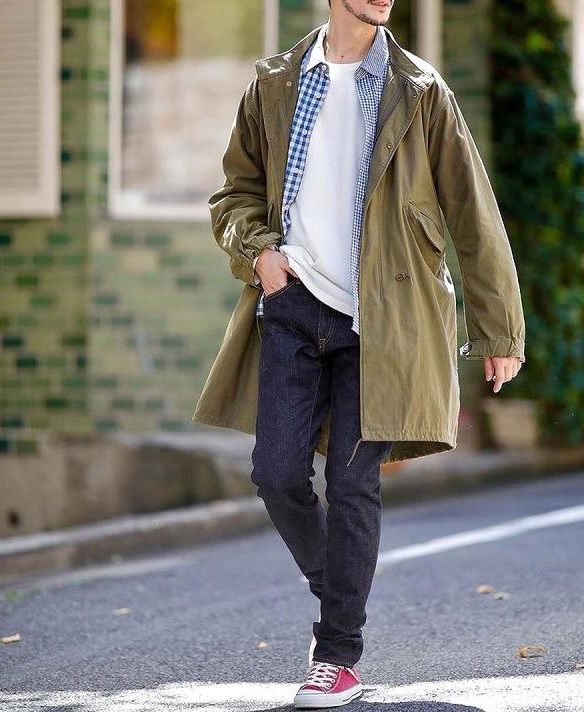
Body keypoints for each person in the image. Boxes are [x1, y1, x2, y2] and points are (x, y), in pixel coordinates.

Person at [195, 0, 525, 707]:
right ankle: (339, 586)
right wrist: (261, 254)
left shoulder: (422, 90)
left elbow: (473, 212)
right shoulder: (275, 83)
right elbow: (235, 194)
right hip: (293, 306)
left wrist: (500, 331)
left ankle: (338, 654)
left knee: (352, 485)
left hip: (383, 318)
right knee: (276, 473)